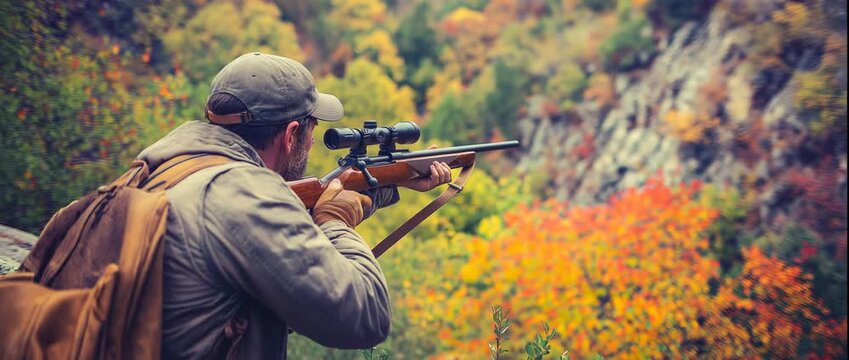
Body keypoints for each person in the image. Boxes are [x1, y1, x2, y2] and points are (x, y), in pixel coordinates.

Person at [137, 52, 452, 359]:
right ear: (290, 136)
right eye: (312, 127)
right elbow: (368, 316)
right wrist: (335, 224)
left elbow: (303, 213)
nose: (313, 140)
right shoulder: (248, 200)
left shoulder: (169, 168)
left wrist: (396, 179)